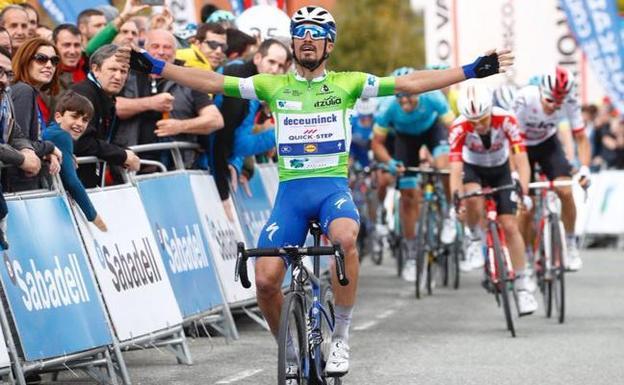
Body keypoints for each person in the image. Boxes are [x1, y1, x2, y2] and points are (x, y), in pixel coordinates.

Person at [130, 5, 512, 376]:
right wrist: (161, 67)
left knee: (345, 239)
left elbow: (410, 82)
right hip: (291, 197)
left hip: (331, 190)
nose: (307, 41)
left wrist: (472, 70)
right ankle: (290, 346)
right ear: (293, 44)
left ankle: (342, 335)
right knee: (264, 281)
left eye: (316, 36)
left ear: (329, 45)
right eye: (300, 36)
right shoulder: (271, 84)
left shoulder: (349, 83)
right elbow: (213, 82)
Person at [449, 82, 538, 315]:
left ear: (491, 109)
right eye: (473, 121)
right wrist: (456, 198)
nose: (478, 125)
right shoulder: (459, 127)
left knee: (510, 225)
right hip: (473, 168)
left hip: (500, 169)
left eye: (483, 119)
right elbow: (456, 169)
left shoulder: (506, 119)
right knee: (473, 200)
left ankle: (522, 287)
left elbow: (521, 159)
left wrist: (524, 191)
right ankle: (475, 239)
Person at [371, 66, 455, 281]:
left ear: (418, 90)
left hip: (432, 131)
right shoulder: (388, 106)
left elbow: (454, 128)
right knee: (408, 195)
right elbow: (377, 144)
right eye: (400, 97)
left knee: (444, 165)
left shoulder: (433, 96)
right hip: (405, 139)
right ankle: (410, 255)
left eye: (409, 96)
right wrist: (390, 163)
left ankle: (448, 214)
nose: (404, 101)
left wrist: (452, 157)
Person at [513, 66, 590, 271]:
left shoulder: (571, 101)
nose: (554, 106)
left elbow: (581, 138)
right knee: (526, 205)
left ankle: (571, 245)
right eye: (550, 101)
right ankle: (528, 254)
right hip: (522, 147)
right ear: (540, 91)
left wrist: (584, 168)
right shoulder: (524, 99)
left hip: (548, 144)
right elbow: (512, 141)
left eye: (559, 103)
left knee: (565, 190)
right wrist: (515, 174)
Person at [115, 29, 223, 167]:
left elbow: (215, 120)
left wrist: (180, 126)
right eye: (155, 46)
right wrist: (150, 103)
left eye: (167, 47)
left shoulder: (189, 77)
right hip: (129, 166)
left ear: (176, 52)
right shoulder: (128, 73)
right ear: (145, 50)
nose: (161, 52)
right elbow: (114, 107)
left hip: (177, 168)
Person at [204, 38, 289, 202]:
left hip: (226, 157)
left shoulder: (256, 86)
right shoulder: (239, 80)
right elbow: (220, 138)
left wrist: (237, 164)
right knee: (285, 131)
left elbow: (238, 134)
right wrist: (223, 195)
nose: (275, 69)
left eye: (280, 66)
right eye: (271, 62)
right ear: (257, 58)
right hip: (210, 161)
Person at [72, 44, 140, 187]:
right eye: (113, 69)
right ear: (96, 69)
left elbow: (106, 140)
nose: (118, 76)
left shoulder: (107, 96)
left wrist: (123, 153)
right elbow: (82, 142)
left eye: (123, 71)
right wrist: (122, 155)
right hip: (74, 182)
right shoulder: (82, 95)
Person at [43, 91, 107, 231]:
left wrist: (67, 155)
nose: (79, 124)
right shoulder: (62, 136)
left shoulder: (52, 132)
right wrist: (94, 217)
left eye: (84, 120)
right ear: (58, 117)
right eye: (74, 117)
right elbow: (72, 181)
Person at [7, 37, 62, 192]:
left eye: (54, 60)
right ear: (25, 61)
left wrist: (46, 152)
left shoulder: (27, 91)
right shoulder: (23, 91)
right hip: (17, 186)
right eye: (41, 59)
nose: (49, 65)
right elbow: (19, 144)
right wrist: (49, 147)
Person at [0, 45, 42, 246]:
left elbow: (14, 129)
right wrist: (22, 159)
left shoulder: (5, 96)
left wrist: (27, 149)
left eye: (8, 74)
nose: (4, 80)